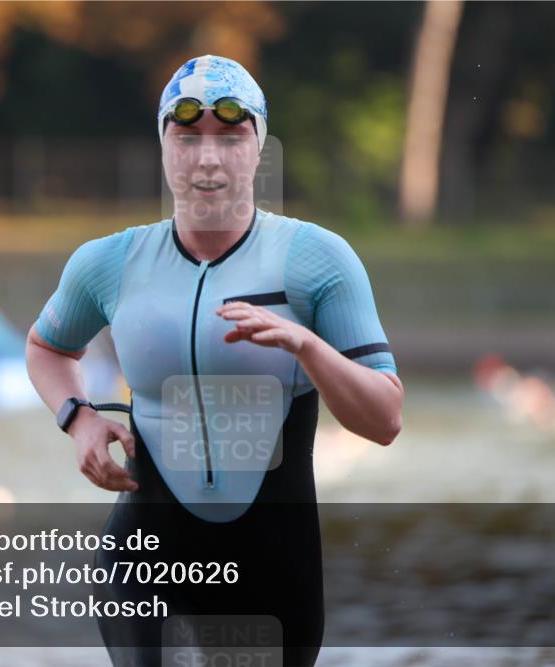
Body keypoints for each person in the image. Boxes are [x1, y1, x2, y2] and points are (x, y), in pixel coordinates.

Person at [26, 54, 404, 667]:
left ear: (259, 149)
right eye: (186, 137)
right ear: (163, 146)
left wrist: (307, 347)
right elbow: (47, 347)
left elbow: (384, 420)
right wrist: (79, 418)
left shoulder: (316, 261)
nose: (207, 158)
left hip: (273, 573)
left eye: (230, 138)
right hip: (146, 565)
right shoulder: (109, 263)